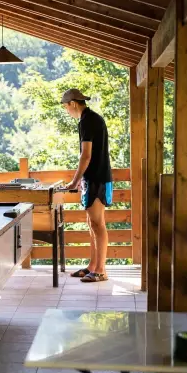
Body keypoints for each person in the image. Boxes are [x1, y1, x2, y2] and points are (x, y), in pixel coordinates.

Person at [62, 89, 113, 283]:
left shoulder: (87, 121)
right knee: (92, 223)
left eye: (66, 107)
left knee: (98, 224)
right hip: (93, 178)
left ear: (73, 103)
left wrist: (74, 182)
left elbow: (86, 155)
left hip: (97, 178)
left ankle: (100, 271)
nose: (66, 111)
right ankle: (92, 266)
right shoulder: (90, 119)